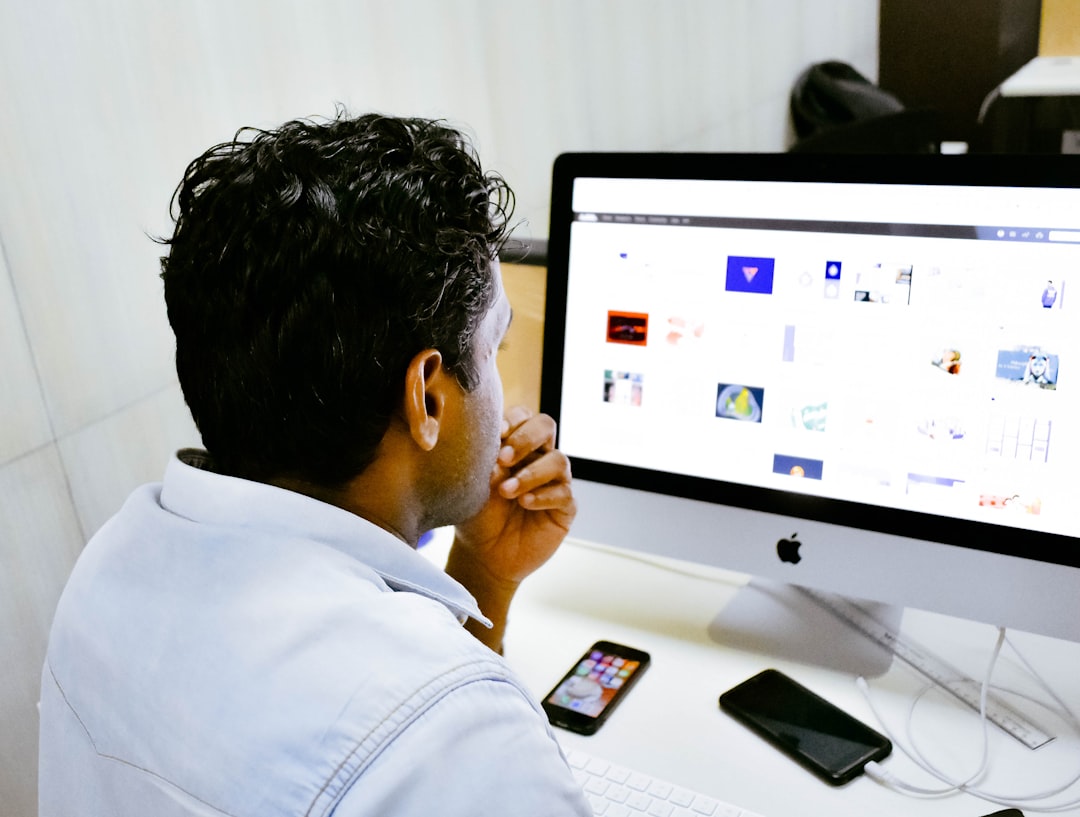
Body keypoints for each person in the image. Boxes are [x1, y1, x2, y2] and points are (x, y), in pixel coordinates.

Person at [38, 112, 592, 816]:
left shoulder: (106, 571)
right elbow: (422, 730)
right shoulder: (460, 732)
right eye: (493, 349)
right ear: (426, 395)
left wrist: (485, 574)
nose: (503, 392)